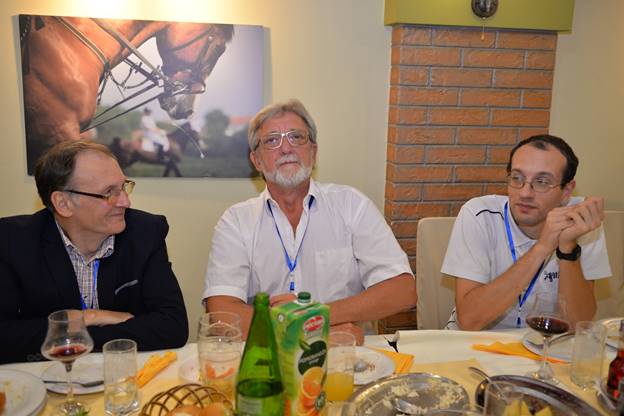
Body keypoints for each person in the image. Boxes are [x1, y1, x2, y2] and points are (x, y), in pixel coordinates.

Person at [202, 99, 416, 344]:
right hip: (269, 360)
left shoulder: (351, 205)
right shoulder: (235, 222)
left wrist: (317, 315)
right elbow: (222, 314)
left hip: (346, 361)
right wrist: (311, 333)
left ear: (313, 152)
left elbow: (402, 290)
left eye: (296, 137)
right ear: (257, 161)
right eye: (272, 140)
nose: (286, 148)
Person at [0, 140, 188, 363]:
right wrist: (87, 318)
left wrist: (65, 334)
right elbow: (5, 337)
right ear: (63, 203)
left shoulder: (146, 233)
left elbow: (172, 326)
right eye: (109, 192)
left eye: (123, 187)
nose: (125, 201)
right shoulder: (12, 240)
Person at [441, 134, 611, 331]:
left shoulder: (581, 221)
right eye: (517, 178)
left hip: (544, 343)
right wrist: (542, 248)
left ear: (566, 191)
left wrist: (567, 250)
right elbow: (469, 320)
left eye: (542, 181)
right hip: (475, 343)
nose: (525, 193)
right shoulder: (479, 215)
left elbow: (577, 324)